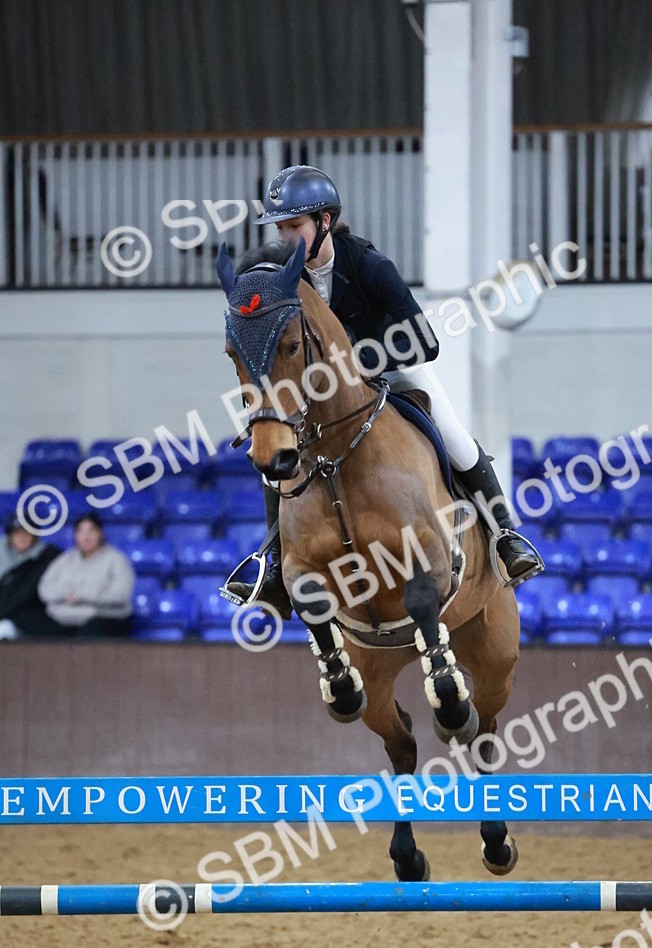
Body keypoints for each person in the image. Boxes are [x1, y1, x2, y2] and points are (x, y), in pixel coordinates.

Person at [228, 164, 542, 612]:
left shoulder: (368, 264)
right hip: (321, 390)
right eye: (280, 227)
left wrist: (356, 362)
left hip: (392, 369)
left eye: (293, 225)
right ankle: (275, 563)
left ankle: (505, 534)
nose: (284, 237)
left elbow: (424, 341)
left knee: (451, 432)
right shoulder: (284, 278)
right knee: (271, 450)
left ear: (324, 222)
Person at [37, 514, 135, 637]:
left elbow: (121, 596)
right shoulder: (65, 559)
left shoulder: (116, 559)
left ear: (100, 534)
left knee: (88, 635)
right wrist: (65, 594)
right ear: (75, 536)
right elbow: (44, 590)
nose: (86, 537)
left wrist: (82, 597)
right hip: (63, 618)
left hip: (104, 618)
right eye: (81, 532)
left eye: (91, 531)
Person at [0, 517, 61, 639]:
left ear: (35, 536)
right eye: (17, 533)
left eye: (27, 533)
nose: (22, 538)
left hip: (32, 620)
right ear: (10, 536)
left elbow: (25, 595)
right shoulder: (3, 555)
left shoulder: (46, 557)